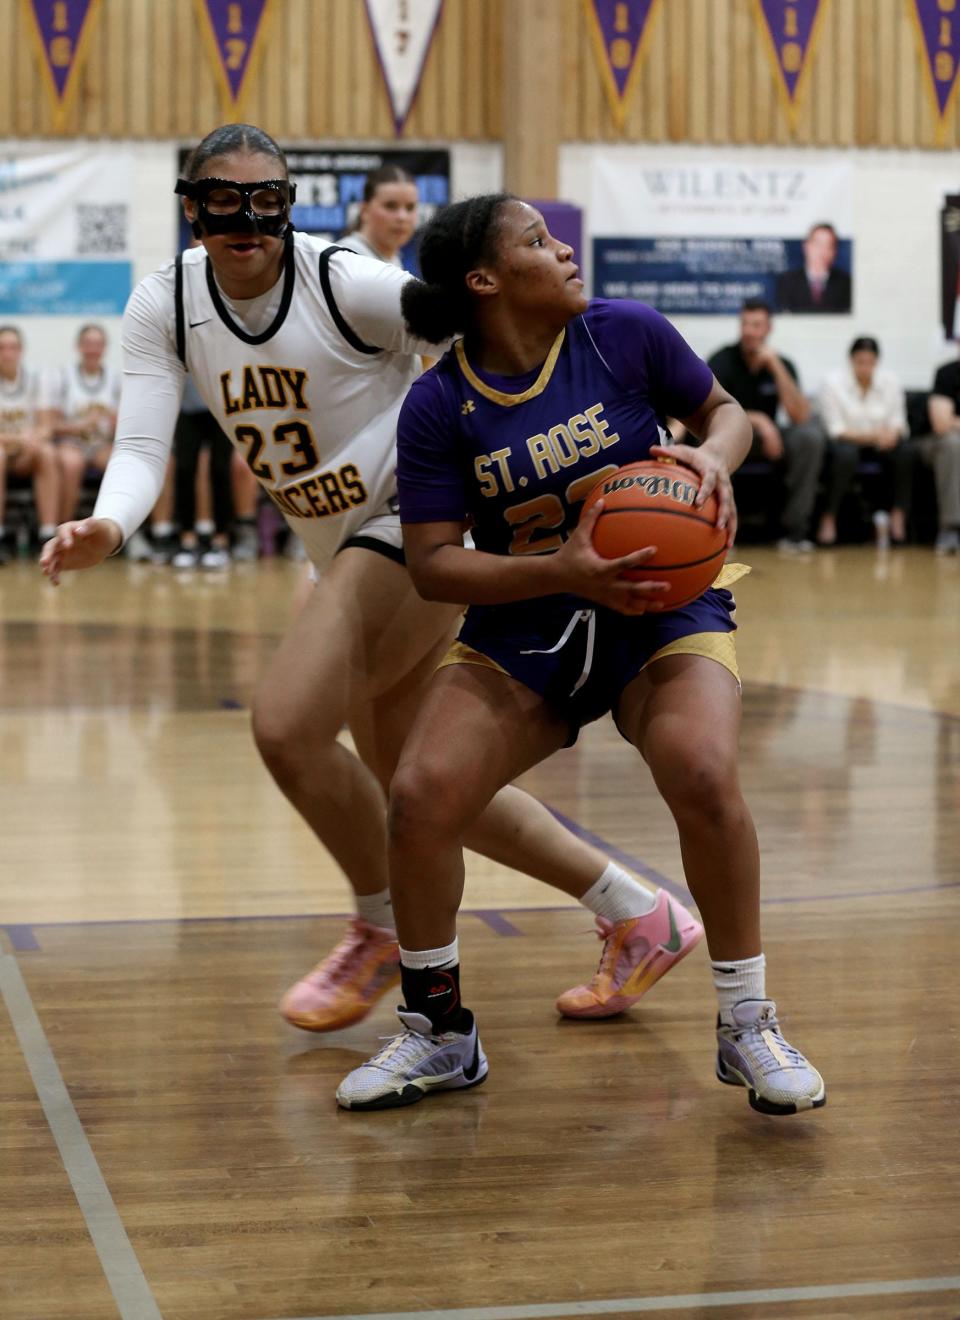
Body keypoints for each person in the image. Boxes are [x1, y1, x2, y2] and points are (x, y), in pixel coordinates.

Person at [40, 124, 703, 1035]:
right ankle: (640, 911)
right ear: (193, 209)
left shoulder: (343, 280)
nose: (245, 218)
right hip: (337, 546)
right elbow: (145, 443)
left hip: (411, 525)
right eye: (222, 199)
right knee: (417, 786)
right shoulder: (164, 304)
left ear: (289, 204)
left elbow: (483, 311)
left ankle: (384, 926)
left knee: (285, 725)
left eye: (264, 198)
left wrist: (618, 420)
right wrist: (108, 524)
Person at [335, 194, 826, 1118]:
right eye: (537, 241)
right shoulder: (440, 403)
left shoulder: (624, 334)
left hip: (659, 610)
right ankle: (440, 1034)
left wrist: (715, 459)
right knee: (419, 793)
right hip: (530, 620)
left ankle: (745, 1020)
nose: (564, 251)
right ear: (484, 281)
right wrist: (563, 568)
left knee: (703, 768)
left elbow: (726, 414)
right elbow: (437, 566)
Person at [707, 299, 825, 552]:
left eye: (756, 325)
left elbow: (801, 415)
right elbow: (709, 408)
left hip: (767, 440)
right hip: (730, 435)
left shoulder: (782, 363)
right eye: (745, 324)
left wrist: (775, 366)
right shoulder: (722, 360)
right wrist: (760, 420)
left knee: (809, 438)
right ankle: (717, 531)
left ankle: (795, 533)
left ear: (768, 329)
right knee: (707, 439)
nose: (749, 331)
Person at [817, 336, 912, 547]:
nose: (865, 368)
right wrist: (873, 436)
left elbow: (899, 422)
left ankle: (898, 514)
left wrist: (892, 434)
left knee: (906, 451)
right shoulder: (832, 383)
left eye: (870, 362)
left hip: (881, 443)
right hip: (847, 442)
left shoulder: (891, 381)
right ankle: (829, 516)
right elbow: (836, 429)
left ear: (877, 362)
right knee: (845, 455)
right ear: (851, 360)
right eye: (861, 362)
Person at [45, 324, 120, 525]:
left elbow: (124, 423)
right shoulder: (63, 376)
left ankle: (113, 526)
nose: (93, 349)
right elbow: (51, 424)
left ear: (104, 348)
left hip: (101, 443)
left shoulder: (115, 379)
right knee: (72, 464)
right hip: (71, 442)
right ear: (79, 347)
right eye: (88, 344)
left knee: (120, 463)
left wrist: (116, 422)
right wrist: (78, 426)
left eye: (98, 344)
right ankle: (63, 525)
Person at [0, 325, 59, 564]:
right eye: (2, 347)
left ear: (21, 350)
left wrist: (35, 439)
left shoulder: (37, 378)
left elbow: (46, 427)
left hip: (25, 454)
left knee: (47, 451)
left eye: (12, 347)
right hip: (4, 451)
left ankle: (47, 534)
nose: (7, 353)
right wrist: (18, 438)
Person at [338, 165, 419, 267]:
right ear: (365, 210)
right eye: (391, 206)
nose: (402, 217)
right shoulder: (347, 258)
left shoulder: (393, 258)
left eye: (410, 208)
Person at [923, 351, 960, 554]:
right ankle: (950, 528)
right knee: (953, 444)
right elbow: (942, 424)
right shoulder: (947, 373)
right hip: (938, 444)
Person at [776, 222, 852, 314]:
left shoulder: (846, 283)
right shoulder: (787, 282)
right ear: (806, 246)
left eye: (829, 246)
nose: (823, 251)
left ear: (835, 251)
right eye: (818, 245)